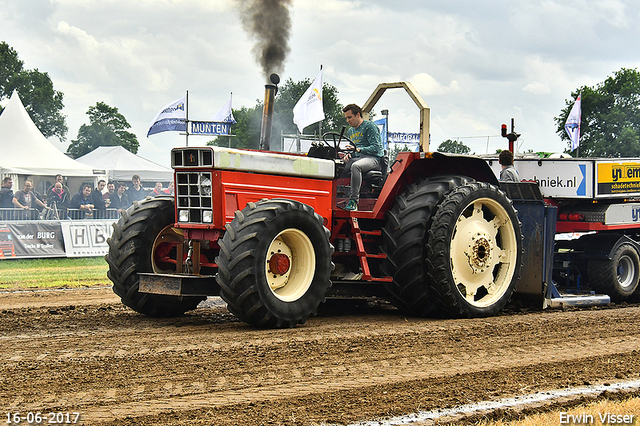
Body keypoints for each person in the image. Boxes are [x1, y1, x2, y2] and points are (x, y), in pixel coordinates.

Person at [339, 104, 384, 211]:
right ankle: (337, 195)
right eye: (346, 118)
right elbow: (354, 150)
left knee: (356, 166)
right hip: (358, 157)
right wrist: (348, 154)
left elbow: (376, 148)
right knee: (337, 166)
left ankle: (353, 201)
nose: (347, 121)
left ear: (358, 115)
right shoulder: (351, 131)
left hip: (373, 159)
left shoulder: (370, 126)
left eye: (349, 117)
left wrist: (359, 149)